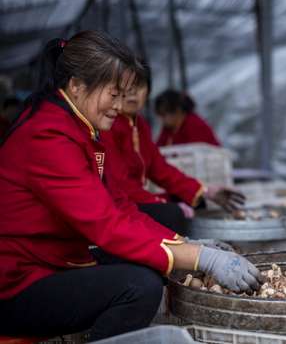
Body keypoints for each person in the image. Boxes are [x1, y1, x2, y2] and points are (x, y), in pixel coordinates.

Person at [0, 31, 263, 341]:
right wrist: (201, 259)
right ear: (77, 85)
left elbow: (120, 205)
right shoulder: (49, 137)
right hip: (18, 281)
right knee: (140, 285)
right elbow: (107, 225)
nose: (120, 104)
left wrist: (187, 243)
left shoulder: (77, 128)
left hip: (54, 261)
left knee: (151, 266)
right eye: (113, 93)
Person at [101, 64, 244, 235]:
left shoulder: (141, 126)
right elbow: (120, 184)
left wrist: (205, 191)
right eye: (125, 86)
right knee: (173, 214)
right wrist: (162, 203)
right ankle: (175, 258)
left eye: (139, 86)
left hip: (136, 199)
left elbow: (161, 170)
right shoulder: (108, 124)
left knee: (195, 201)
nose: (132, 92)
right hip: (116, 203)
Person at [155, 89, 220, 147]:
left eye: (164, 115)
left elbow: (195, 154)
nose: (162, 120)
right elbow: (157, 150)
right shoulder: (169, 128)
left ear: (178, 110)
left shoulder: (196, 126)